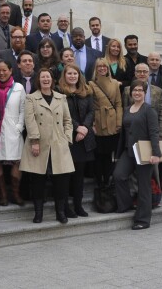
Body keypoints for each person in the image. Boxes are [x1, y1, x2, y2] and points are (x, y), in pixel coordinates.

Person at [20, 68, 74, 224]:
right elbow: (29, 122)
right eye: (42, 77)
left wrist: (67, 138)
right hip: (39, 143)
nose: (45, 79)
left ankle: (60, 212)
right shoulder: (31, 98)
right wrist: (34, 141)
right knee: (38, 179)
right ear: (39, 80)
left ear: (52, 80)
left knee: (61, 180)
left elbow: (68, 121)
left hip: (59, 143)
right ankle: (38, 213)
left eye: (48, 77)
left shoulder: (61, 97)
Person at [113, 79, 161, 230]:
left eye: (140, 90)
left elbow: (154, 133)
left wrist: (156, 153)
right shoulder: (127, 109)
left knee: (143, 185)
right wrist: (118, 153)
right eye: (135, 90)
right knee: (118, 175)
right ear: (130, 92)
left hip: (144, 151)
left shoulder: (149, 110)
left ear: (144, 93)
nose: (137, 93)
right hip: (129, 151)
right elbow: (124, 133)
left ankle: (143, 220)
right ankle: (126, 205)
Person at [57, 63, 95, 218]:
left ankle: (78, 205)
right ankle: (65, 207)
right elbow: (61, 114)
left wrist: (85, 127)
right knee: (66, 175)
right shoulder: (59, 93)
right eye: (69, 73)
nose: (72, 76)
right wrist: (77, 127)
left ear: (79, 76)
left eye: (75, 74)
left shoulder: (86, 91)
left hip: (84, 139)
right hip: (67, 138)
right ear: (64, 75)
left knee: (79, 175)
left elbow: (92, 111)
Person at [126, 62, 162, 190]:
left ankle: (156, 192)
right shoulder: (127, 90)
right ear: (135, 73)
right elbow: (125, 111)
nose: (142, 74)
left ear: (149, 73)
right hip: (134, 135)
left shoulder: (159, 91)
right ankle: (136, 193)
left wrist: (160, 134)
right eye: (139, 71)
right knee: (135, 167)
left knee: (153, 167)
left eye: (145, 71)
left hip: (153, 134)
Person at [0, 59, 25, 206]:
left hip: (14, 130)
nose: (1, 73)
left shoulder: (18, 87)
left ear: (11, 71)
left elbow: (23, 109)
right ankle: (3, 194)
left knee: (17, 160)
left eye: (4, 70)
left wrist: (19, 127)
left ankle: (15, 193)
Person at [91, 57, 123, 196]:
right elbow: (90, 105)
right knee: (99, 155)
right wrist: (92, 123)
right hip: (98, 122)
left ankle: (108, 179)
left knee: (110, 154)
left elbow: (118, 104)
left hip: (112, 121)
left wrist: (118, 122)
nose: (102, 68)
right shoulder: (91, 84)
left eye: (104, 66)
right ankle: (100, 181)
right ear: (96, 69)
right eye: (99, 67)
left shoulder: (115, 83)